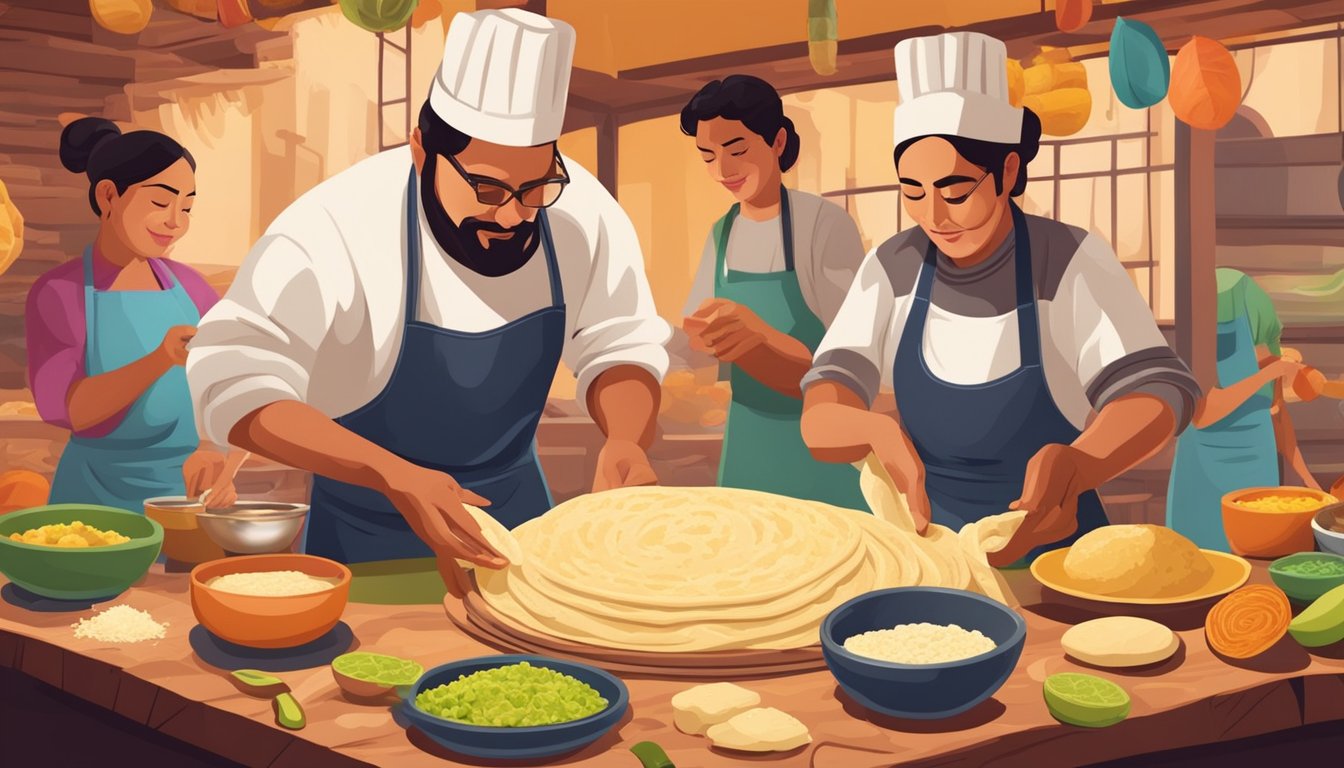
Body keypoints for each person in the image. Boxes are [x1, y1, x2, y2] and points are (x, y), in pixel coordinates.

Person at [186, 9, 671, 595]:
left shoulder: (580, 209)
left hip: (515, 530)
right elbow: (235, 380)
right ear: (422, 150)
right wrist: (392, 474)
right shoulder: (336, 226)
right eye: (489, 189)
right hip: (368, 538)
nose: (514, 215)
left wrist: (624, 436)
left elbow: (618, 342)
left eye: (535, 188)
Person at [799, 32, 1201, 566]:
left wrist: (1081, 463)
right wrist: (870, 428)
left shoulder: (1067, 258)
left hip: (1062, 562)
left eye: (956, 190)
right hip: (932, 561)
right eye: (912, 192)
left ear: (1008, 172)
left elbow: (1159, 392)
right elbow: (821, 412)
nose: (934, 217)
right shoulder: (893, 267)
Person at [26, 118, 242, 512]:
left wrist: (217, 458)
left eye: (188, 206)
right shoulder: (60, 293)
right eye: (161, 202)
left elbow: (232, 382)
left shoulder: (191, 288)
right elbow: (72, 411)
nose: (176, 221)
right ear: (109, 196)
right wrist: (160, 359)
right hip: (93, 502)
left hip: (185, 501)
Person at [678, 75, 868, 510]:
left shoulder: (822, 225)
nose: (722, 170)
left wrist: (761, 337)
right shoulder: (721, 233)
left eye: (737, 150)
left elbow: (854, 360)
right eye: (708, 156)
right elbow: (697, 340)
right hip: (748, 436)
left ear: (777, 142)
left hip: (820, 440)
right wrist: (696, 338)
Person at [1167, 268, 1318, 550]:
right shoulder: (1201, 344)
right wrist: (1269, 373)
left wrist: (1310, 483)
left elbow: (1278, 415)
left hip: (1258, 476)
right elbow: (1203, 414)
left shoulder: (1267, 346)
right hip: (1201, 475)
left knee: (1257, 564)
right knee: (1195, 563)